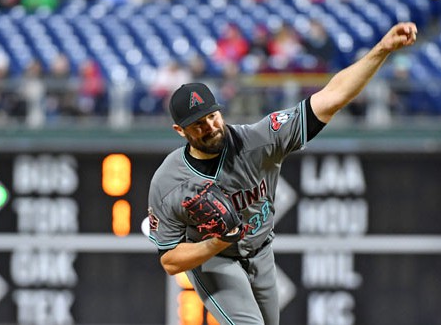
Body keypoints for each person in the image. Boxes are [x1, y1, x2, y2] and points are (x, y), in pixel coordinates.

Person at [146, 21, 417, 325]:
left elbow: (332, 97)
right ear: (180, 131)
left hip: (261, 251)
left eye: (212, 116)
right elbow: (170, 261)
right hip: (214, 261)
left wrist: (382, 49)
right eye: (198, 124)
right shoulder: (169, 182)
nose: (210, 127)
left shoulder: (259, 140)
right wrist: (216, 242)